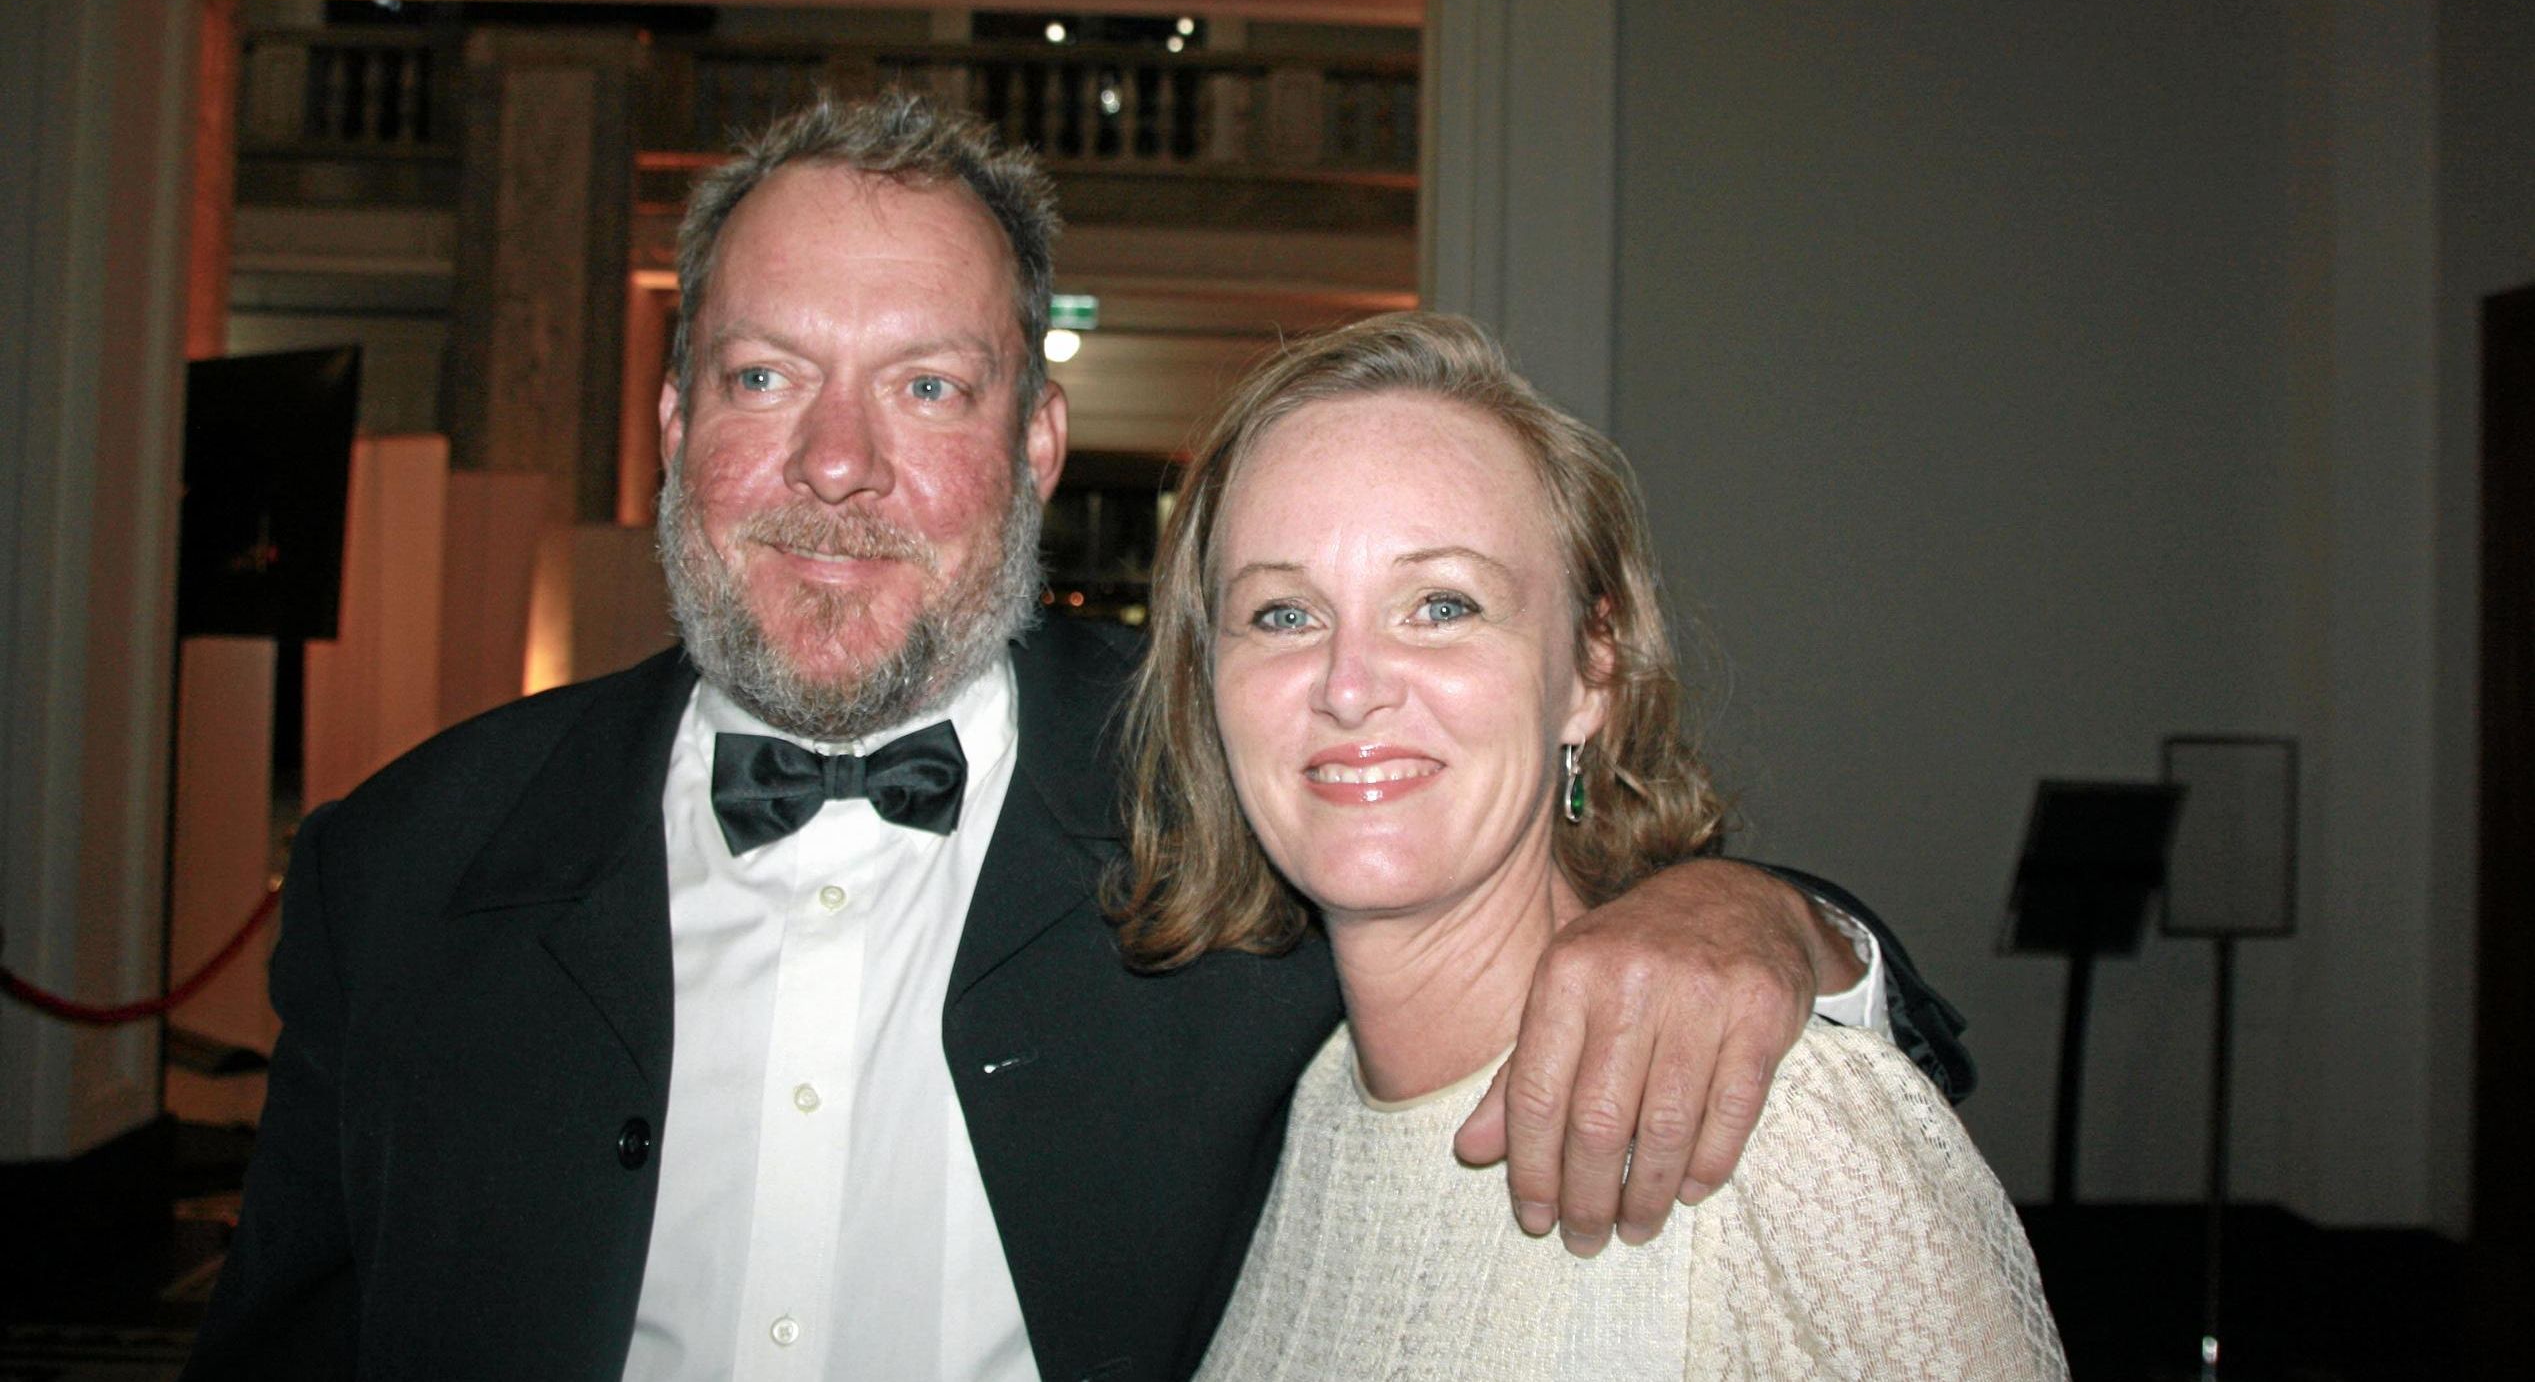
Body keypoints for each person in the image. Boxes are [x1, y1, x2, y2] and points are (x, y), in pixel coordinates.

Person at [186, 94, 1969, 1382]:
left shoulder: (1234, 790)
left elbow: (1498, 857)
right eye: (763, 376)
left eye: (929, 387)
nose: (834, 463)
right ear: (669, 417)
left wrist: (1753, 914)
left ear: (1039, 442)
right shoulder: (406, 864)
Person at [1113, 312, 2063, 1380]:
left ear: (1591, 669)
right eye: (1283, 614)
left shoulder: (1768, 1123)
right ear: (1210, 683)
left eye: (1441, 603)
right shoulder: (1305, 1112)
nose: (1349, 683)